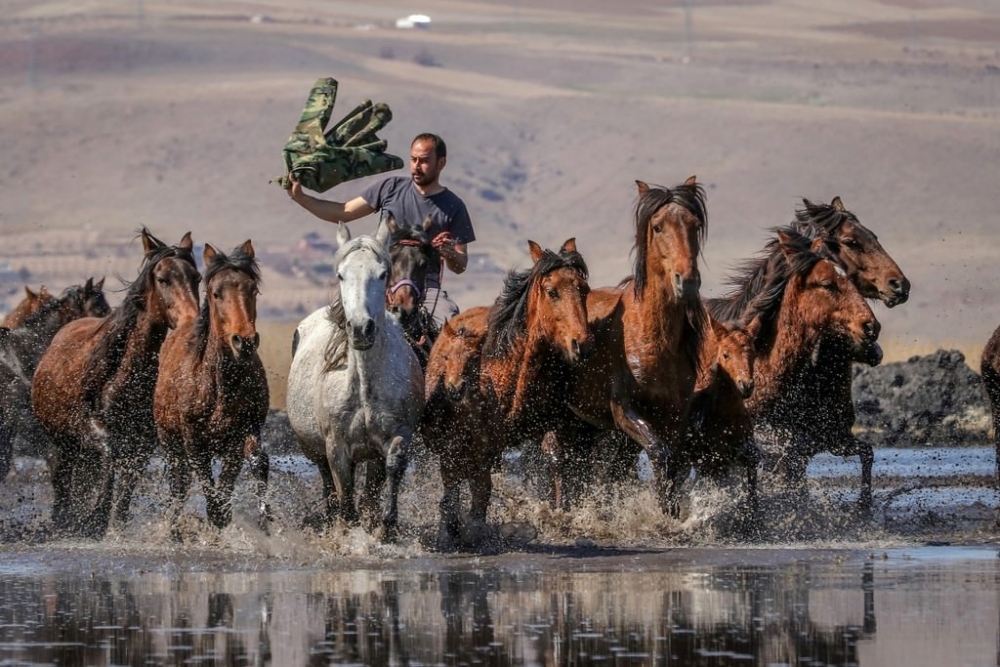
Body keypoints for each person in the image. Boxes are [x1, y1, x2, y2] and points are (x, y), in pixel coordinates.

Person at [287, 132, 474, 324]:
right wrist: (300, 198)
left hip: (426, 289)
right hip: (377, 280)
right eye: (413, 159)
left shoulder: (454, 206)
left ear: (441, 163)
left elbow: (460, 265)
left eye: (424, 161)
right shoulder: (390, 188)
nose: (417, 166)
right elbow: (343, 212)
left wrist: (450, 253)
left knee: (449, 323)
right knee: (337, 321)